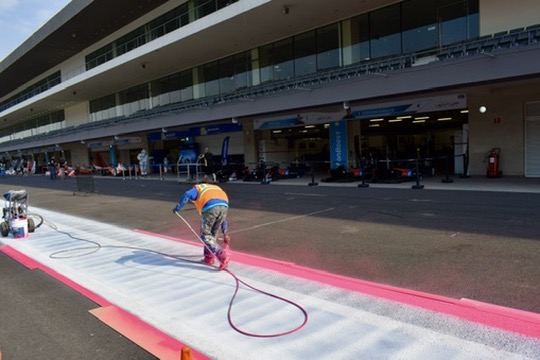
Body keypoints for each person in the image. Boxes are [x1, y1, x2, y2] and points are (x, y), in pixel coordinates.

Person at [172, 183, 230, 270]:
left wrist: (177, 207)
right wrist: (225, 233)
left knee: (205, 235)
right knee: (212, 236)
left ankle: (221, 254)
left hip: (210, 207)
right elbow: (224, 219)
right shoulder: (214, 188)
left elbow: (187, 194)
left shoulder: (197, 188)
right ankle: (209, 257)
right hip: (224, 206)